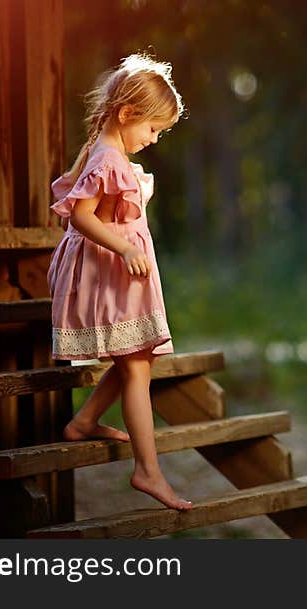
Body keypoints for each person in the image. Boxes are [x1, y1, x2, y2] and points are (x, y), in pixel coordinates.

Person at [47, 53, 192, 511]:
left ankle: (86, 420)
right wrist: (126, 248)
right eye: (152, 129)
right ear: (127, 114)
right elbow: (82, 217)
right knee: (136, 366)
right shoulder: (107, 157)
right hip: (107, 270)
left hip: (119, 273)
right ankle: (147, 471)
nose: (153, 139)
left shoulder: (107, 153)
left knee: (138, 356)